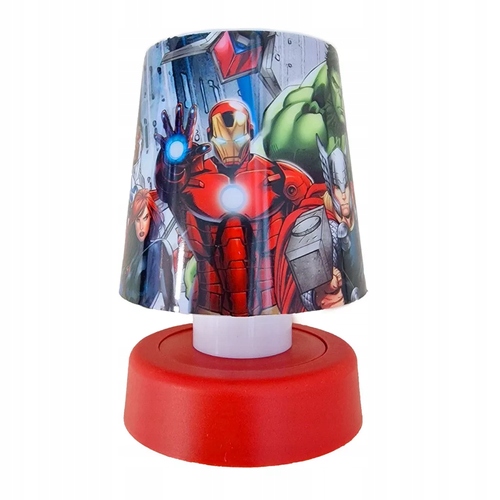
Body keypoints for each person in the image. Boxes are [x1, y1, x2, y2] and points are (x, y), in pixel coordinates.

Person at [154, 100, 344, 316]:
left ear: (250, 133)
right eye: (222, 139)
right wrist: (172, 163)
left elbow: (314, 207)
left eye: (237, 139)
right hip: (210, 307)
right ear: (210, 135)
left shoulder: (276, 176)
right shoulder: (192, 181)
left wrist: (323, 274)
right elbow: (167, 188)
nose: (230, 147)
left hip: (270, 306)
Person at [120, 189, 175, 310]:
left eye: (145, 218)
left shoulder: (159, 247)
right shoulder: (133, 253)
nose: (141, 226)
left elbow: (169, 301)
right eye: (137, 219)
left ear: (151, 218)